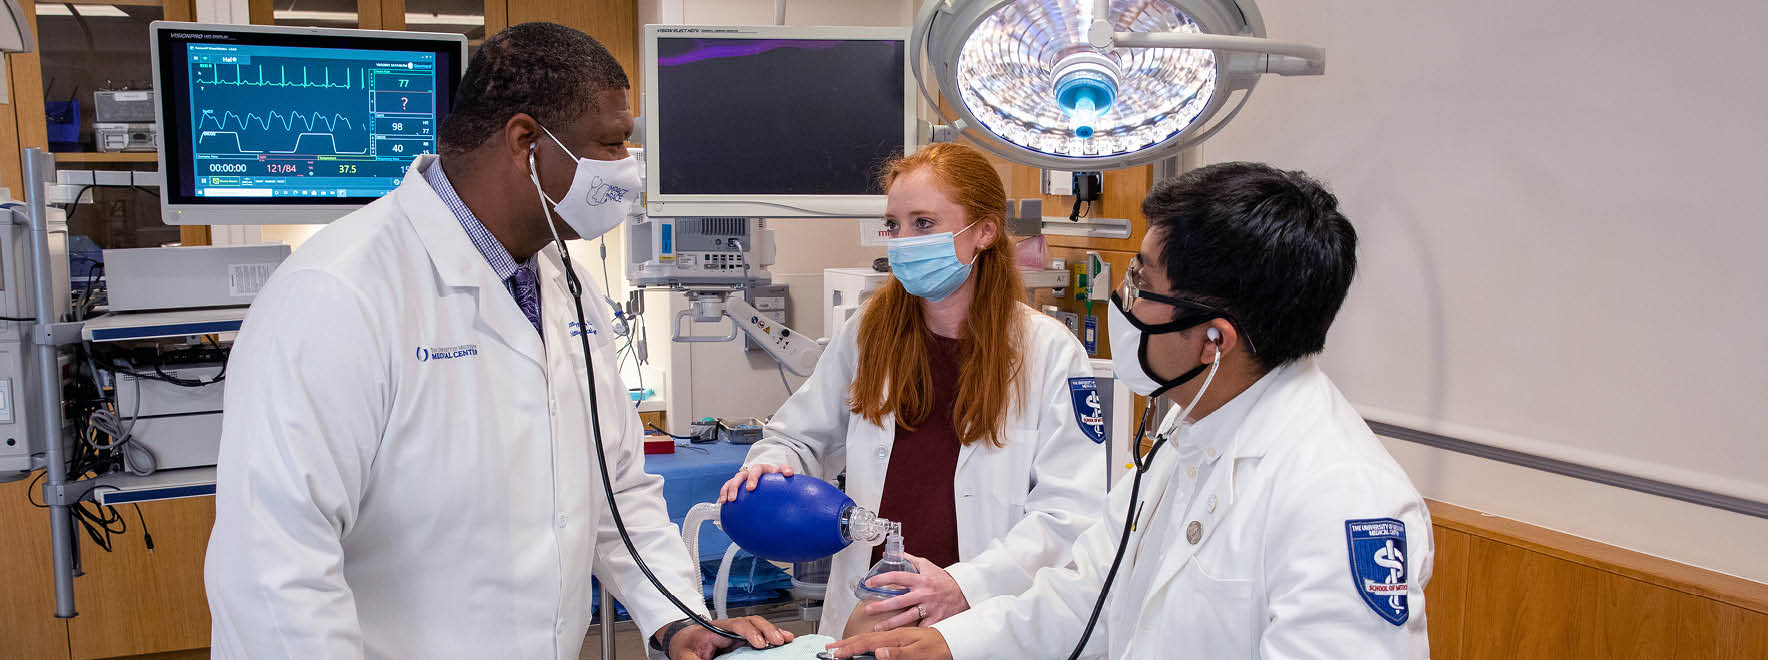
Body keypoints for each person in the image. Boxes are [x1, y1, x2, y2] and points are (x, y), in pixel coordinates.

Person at [204, 23, 790, 660]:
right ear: (525, 143)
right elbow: (274, 569)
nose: (627, 169)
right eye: (612, 144)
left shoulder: (566, 286)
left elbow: (616, 489)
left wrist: (681, 620)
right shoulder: (338, 294)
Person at [828, 162, 1435, 659]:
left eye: (1141, 284)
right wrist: (947, 644)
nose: (1122, 302)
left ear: (1212, 340)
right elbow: (1086, 591)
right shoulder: (1188, 428)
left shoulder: (1342, 501)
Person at [717, 143, 1108, 639]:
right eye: (894, 225)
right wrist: (771, 466)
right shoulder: (869, 333)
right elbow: (799, 437)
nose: (902, 241)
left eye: (923, 223)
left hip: (982, 622)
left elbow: (1070, 514)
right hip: (871, 613)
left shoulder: (1049, 352)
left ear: (985, 231)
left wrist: (963, 585)